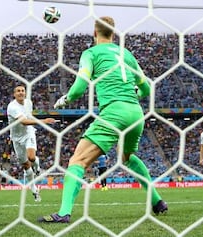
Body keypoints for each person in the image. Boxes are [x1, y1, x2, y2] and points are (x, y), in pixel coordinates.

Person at [38, 16, 167, 223]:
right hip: (135, 113)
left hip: (114, 113)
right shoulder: (127, 54)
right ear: (113, 33)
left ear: (95, 32)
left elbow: (80, 87)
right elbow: (146, 88)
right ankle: (157, 201)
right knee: (126, 157)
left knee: (78, 160)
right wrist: (133, 92)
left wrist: (66, 99)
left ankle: (63, 213)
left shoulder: (90, 53)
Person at [7, 85, 57, 202]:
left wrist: (37, 121)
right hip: (16, 138)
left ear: (25, 93)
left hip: (29, 133)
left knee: (31, 157)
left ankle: (38, 168)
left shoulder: (28, 103)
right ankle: (34, 190)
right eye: (18, 91)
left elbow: (29, 117)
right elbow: (24, 121)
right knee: (26, 166)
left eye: (22, 91)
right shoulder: (12, 107)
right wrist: (43, 121)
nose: (21, 93)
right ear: (14, 94)